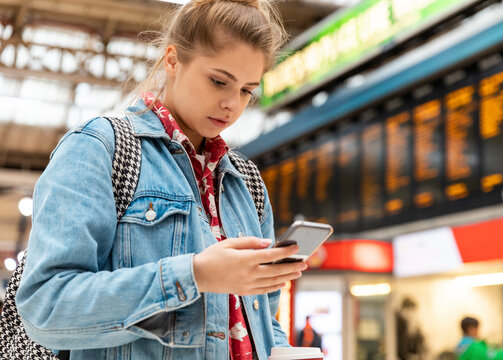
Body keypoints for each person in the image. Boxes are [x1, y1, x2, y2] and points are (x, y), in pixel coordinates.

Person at [15, 1, 306, 359]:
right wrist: (195, 275)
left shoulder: (246, 181)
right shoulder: (101, 149)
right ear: (172, 60)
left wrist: (281, 350)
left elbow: (262, 318)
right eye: (218, 81)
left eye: (247, 90)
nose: (232, 104)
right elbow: (46, 307)